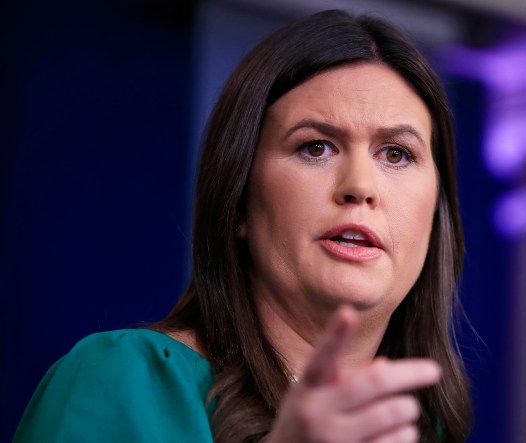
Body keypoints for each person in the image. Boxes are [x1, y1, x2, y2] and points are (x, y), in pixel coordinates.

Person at [13, 9, 472, 443]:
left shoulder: (423, 431)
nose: (360, 187)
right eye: (316, 148)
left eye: (396, 154)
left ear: (437, 215)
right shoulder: (121, 380)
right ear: (237, 204)